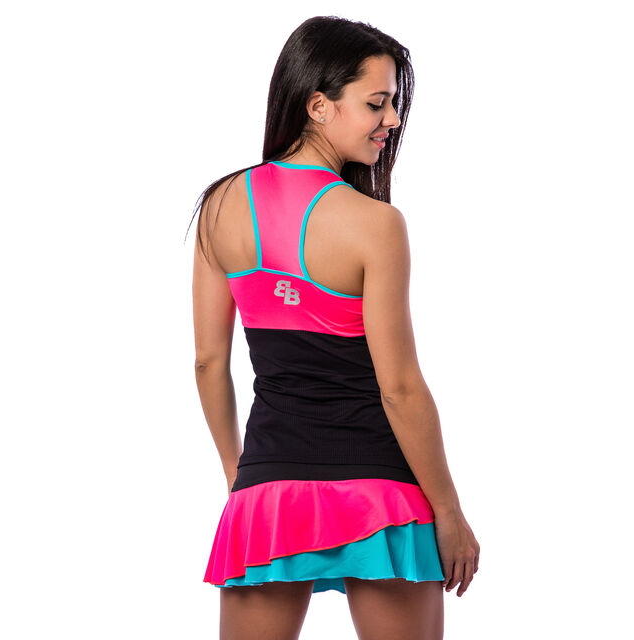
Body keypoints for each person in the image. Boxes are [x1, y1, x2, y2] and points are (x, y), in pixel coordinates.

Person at [189, 15, 480, 640]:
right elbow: (399, 387)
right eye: (376, 103)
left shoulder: (220, 206)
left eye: (393, 103)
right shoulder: (376, 225)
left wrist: (242, 479)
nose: (392, 120)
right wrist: (449, 511)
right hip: (382, 493)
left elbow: (208, 363)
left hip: (270, 484)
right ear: (318, 105)